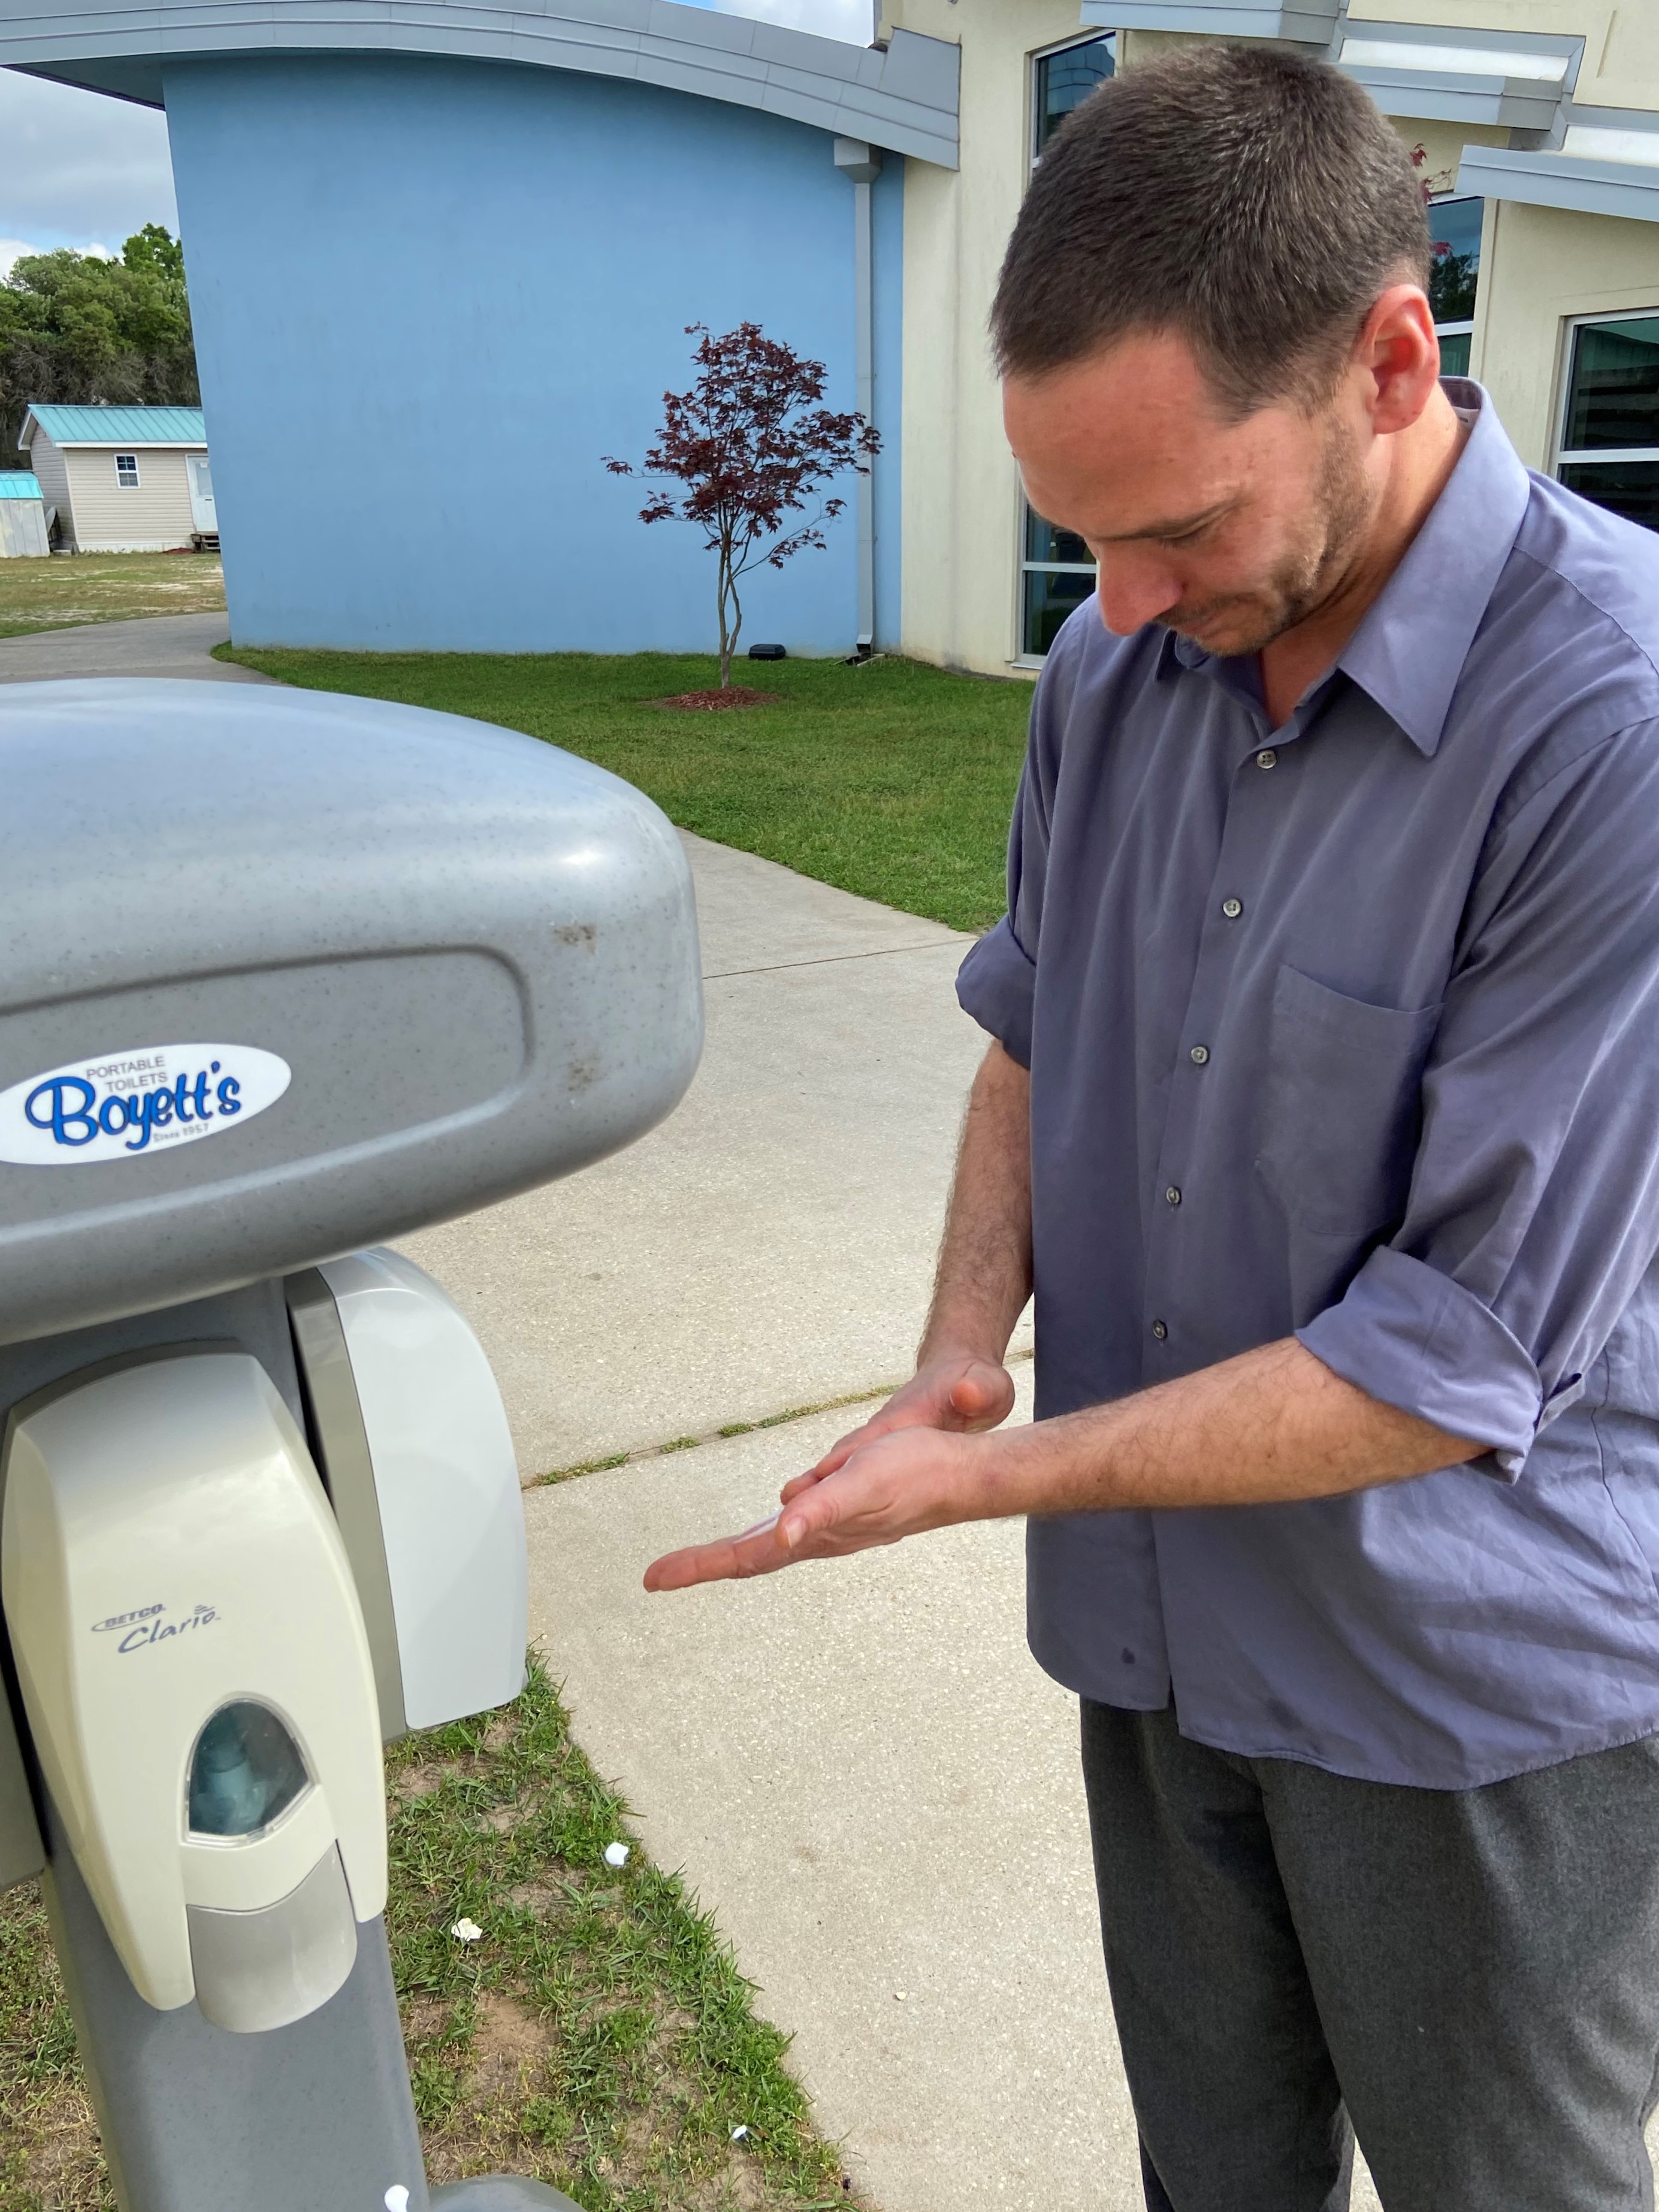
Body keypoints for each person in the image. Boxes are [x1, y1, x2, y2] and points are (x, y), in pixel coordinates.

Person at [645, 41, 1659, 2212]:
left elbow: (1451, 1358)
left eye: (1175, 524)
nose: (1104, 610)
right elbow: (1037, 1025)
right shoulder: (1122, 669)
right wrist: (957, 1338)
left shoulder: (1613, 729)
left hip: (1463, 1689)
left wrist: (972, 1481)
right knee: (1210, 2177)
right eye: (1071, 539)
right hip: (1155, 1634)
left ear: (1395, 358)